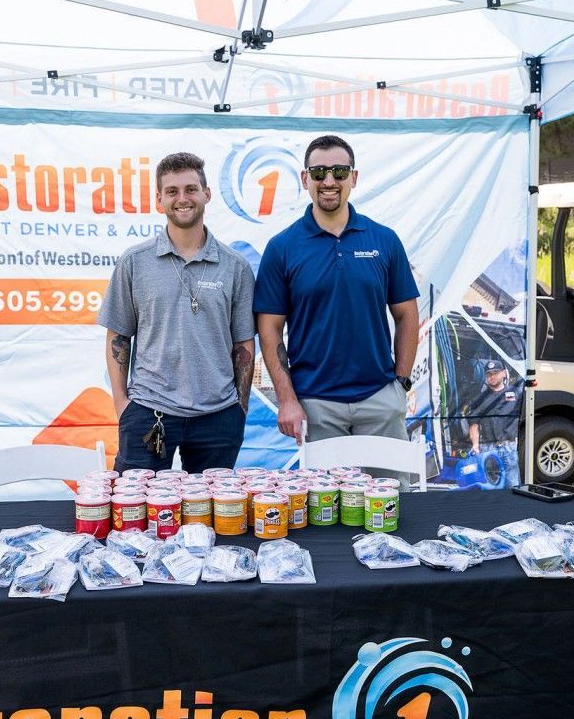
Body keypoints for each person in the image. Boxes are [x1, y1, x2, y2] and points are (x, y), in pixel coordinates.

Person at [253, 134, 419, 445]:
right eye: (319, 173)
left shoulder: (384, 240)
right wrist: (287, 400)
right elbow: (269, 330)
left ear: (353, 177)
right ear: (305, 179)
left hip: (379, 401)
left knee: (392, 495)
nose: (329, 180)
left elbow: (407, 315)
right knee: (322, 497)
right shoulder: (282, 248)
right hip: (315, 405)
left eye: (340, 172)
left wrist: (401, 384)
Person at [99, 151, 255, 473]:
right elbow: (118, 336)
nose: (182, 199)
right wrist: (121, 405)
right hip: (148, 412)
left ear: (207, 194)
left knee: (212, 519)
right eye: (172, 191)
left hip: (219, 417)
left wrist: (239, 408)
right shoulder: (135, 262)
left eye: (190, 189)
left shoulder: (235, 266)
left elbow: (243, 345)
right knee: (136, 514)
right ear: (159, 200)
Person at [465, 360, 522, 454]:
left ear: (504, 373)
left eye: (495, 373)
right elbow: (473, 424)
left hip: (510, 446)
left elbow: (525, 418)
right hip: (489, 448)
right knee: (491, 469)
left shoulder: (516, 393)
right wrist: (475, 445)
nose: (492, 377)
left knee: (512, 469)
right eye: (489, 374)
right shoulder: (480, 399)